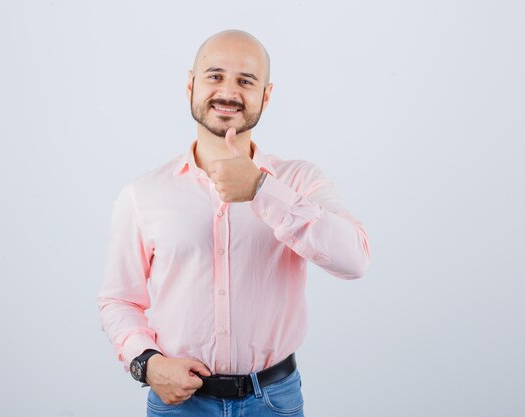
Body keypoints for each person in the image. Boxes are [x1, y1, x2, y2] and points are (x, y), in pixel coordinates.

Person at [98, 29, 371, 417]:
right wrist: (148, 363)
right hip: (179, 403)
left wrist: (263, 190)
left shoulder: (297, 182)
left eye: (246, 80)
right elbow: (118, 299)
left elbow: (355, 259)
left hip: (274, 400)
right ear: (191, 84)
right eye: (214, 76)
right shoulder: (143, 194)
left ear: (266, 95)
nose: (228, 92)